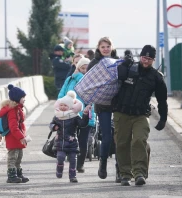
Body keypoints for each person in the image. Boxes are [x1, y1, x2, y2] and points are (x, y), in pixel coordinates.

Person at [112, 45, 168, 186]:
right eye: (144, 57)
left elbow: (162, 100)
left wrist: (163, 118)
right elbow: (117, 76)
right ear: (140, 57)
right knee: (122, 143)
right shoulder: (129, 68)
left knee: (139, 140)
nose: (146, 61)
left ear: (154, 60)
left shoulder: (156, 77)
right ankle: (125, 174)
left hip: (140, 114)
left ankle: (139, 173)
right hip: (122, 112)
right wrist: (125, 63)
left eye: (149, 59)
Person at [87, 37, 120, 181]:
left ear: (112, 47)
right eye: (103, 47)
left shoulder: (119, 62)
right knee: (106, 137)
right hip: (102, 105)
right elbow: (87, 83)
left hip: (118, 104)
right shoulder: (94, 63)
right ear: (98, 48)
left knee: (120, 138)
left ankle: (120, 169)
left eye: (108, 46)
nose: (106, 49)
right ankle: (103, 163)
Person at [58, 57, 96, 173]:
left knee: (83, 139)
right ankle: (73, 161)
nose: (84, 70)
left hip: (85, 114)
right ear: (78, 67)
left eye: (87, 68)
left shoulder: (91, 79)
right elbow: (62, 94)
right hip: (70, 115)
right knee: (71, 139)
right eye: (82, 68)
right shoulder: (70, 79)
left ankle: (80, 164)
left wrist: (78, 75)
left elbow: (91, 94)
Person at [49, 91, 90, 182]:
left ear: (70, 107)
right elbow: (51, 124)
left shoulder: (75, 116)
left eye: (65, 106)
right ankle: (59, 170)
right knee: (60, 157)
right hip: (60, 141)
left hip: (72, 142)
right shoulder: (57, 116)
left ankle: (73, 176)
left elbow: (82, 124)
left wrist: (85, 115)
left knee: (73, 160)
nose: (63, 107)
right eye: (61, 105)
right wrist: (53, 127)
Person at [0, 84, 29, 183]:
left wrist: (22, 136)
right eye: (22, 97)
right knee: (12, 157)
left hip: (18, 138)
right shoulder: (12, 111)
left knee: (18, 157)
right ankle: (11, 176)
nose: (24, 99)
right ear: (17, 98)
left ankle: (18, 174)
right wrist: (21, 137)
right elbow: (13, 127)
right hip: (13, 138)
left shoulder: (17, 109)